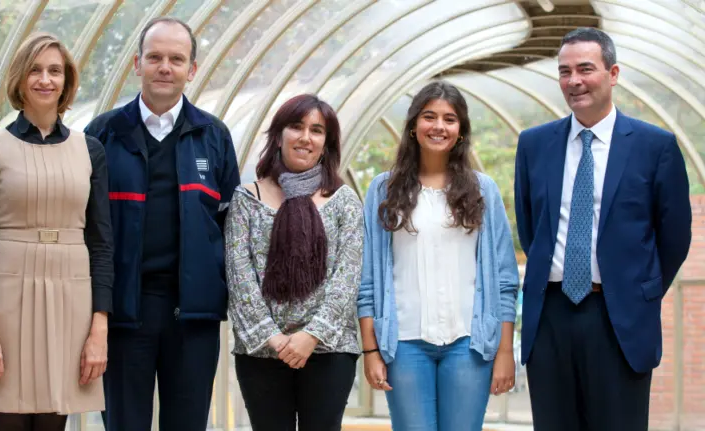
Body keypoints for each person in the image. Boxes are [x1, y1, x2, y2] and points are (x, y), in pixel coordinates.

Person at [514, 27, 692, 431]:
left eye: (585, 69)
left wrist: (637, 290)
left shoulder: (655, 146)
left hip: (619, 319)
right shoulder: (534, 144)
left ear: (612, 73)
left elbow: (674, 236)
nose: (573, 81)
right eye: (564, 71)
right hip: (550, 317)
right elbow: (531, 228)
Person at [84, 16, 240, 431]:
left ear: (191, 69)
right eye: (155, 57)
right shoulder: (102, 134)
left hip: (193, 315)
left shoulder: (214, 136)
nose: (164, 67)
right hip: (123, 312)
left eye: (176, 59)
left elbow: (233, 228)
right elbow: (86, 228)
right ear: (137, 64)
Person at [0, 32, 113, 431]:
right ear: (20, 78)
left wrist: (99, 327)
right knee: (10, 418)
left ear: (66, 81)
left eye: (55, 71)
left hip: (71, 297)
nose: (45, 79)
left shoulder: (90, 150)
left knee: (52, 422)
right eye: (36, 69)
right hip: (7, 299)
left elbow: (101, 243)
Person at [357, 81, 519, 431]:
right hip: (403, 346)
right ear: (414, 125)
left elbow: (505, 280)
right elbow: (367, 281)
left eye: (449, 119)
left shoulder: (483, 190)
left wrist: (505, 352)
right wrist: (371, 352)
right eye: (429, 117)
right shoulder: (382, 191)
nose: (439, 127)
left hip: (469, 346)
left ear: (461, 131)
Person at [225, 94, 363, 431]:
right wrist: (273, 339)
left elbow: (348, 278)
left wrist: (311, 336)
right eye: (296, 126)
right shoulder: (246, 199)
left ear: (326, 143)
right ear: (279, 134)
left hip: (329, 350)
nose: (305, 137)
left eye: (317, 130)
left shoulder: (344, 201)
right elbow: (239, 277)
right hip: (261, 353)